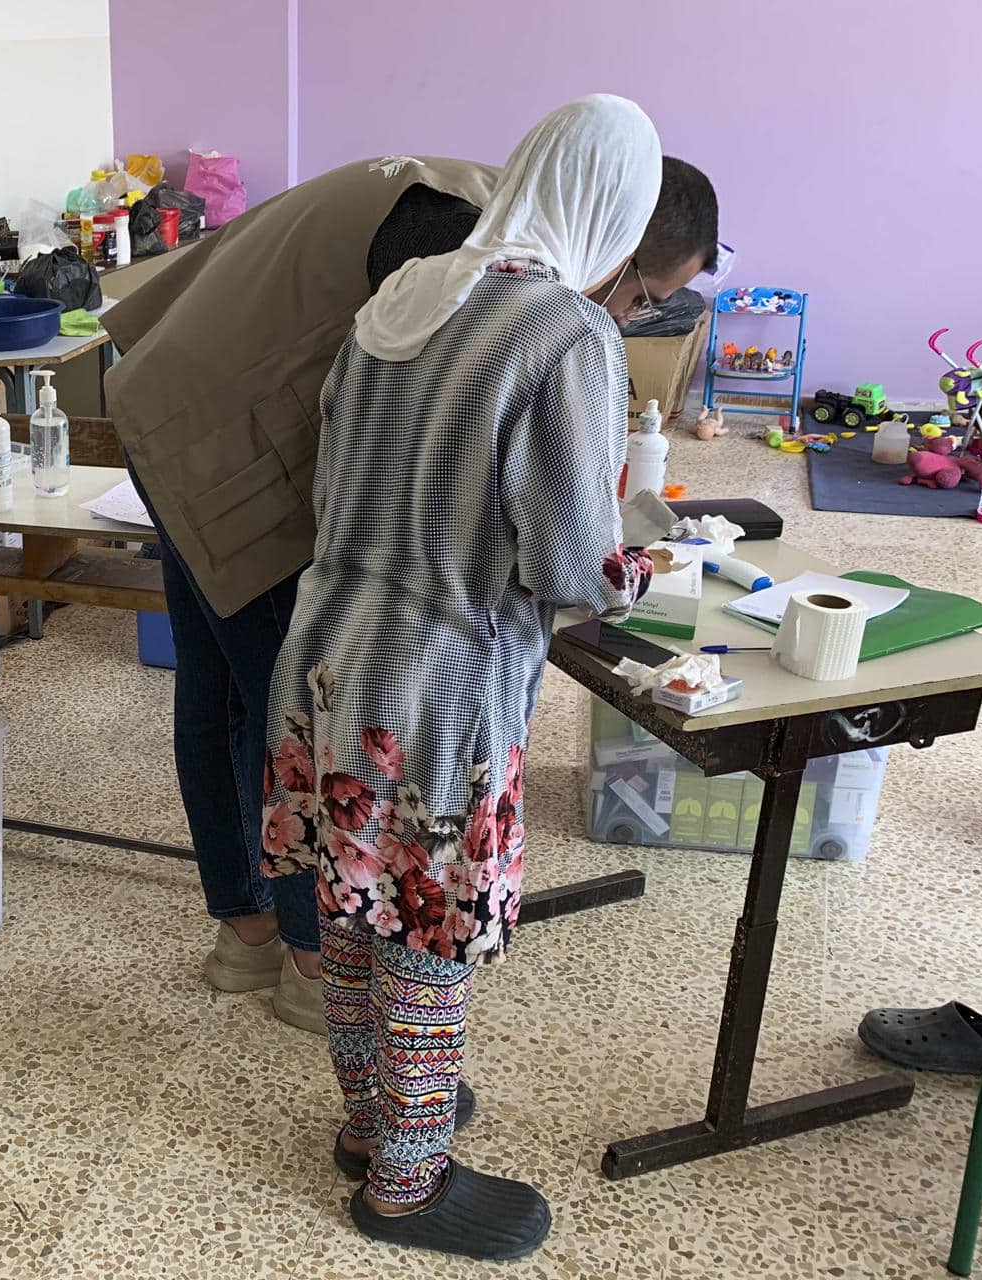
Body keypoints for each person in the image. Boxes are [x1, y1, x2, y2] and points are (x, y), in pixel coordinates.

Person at [105, 142, 717, 1033]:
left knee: (224, 688)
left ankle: (246, 936)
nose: (623, 319)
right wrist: (596, 555)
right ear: (615, 239)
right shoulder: (477, 262)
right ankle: (314, 961)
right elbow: (463, 477)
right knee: (282, 698)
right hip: (222, 442)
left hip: (161, 396)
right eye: (640, 298)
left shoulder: (475, 204)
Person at [256, 96, 717, 1258]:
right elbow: (569, 560)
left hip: (326, 653)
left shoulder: (404, 293)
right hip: (444, 685)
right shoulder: (562, 329)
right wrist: (644, 562)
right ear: (611, 207)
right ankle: (407, 1184)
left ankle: (374, 1123)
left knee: (354, 899)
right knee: (424, 927)